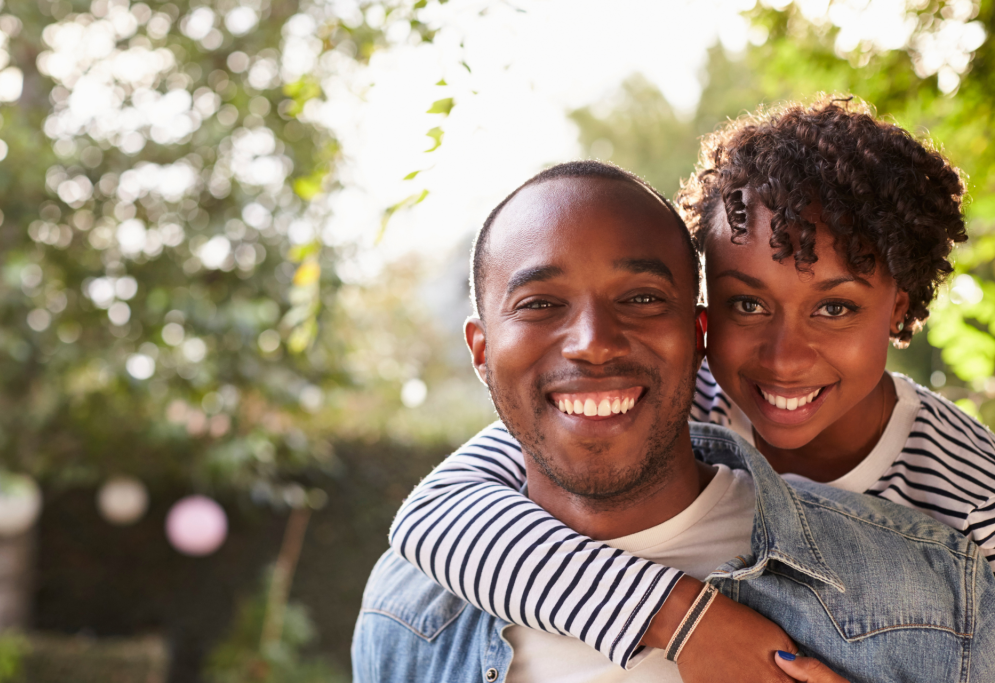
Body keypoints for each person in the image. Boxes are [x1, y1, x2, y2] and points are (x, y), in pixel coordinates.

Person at [387, 99, 995, 681]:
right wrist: (685, 620)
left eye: (834, 307)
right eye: (748, 304)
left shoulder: (971, 493)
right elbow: (435, 514)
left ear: (900, 309)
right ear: (704, 318)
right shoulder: (680, 392)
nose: (784, 359)